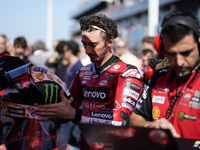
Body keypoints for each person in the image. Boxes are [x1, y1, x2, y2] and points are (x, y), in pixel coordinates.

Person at [35, 14, 143, 148]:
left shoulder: (127, 73)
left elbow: (121, 119)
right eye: (84, 44)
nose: (87, 50)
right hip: (85, 145)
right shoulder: (83, 72)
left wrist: (76, 115)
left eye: (93, 44)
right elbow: (67, 109)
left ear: (109, 41)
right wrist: (45, 108)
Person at [130, 8, 200, 139]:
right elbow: (135, 116)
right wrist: (149, 126)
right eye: (171, 54)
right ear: (162, 49)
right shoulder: (158, 77)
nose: (179, 62)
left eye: (186, 53)